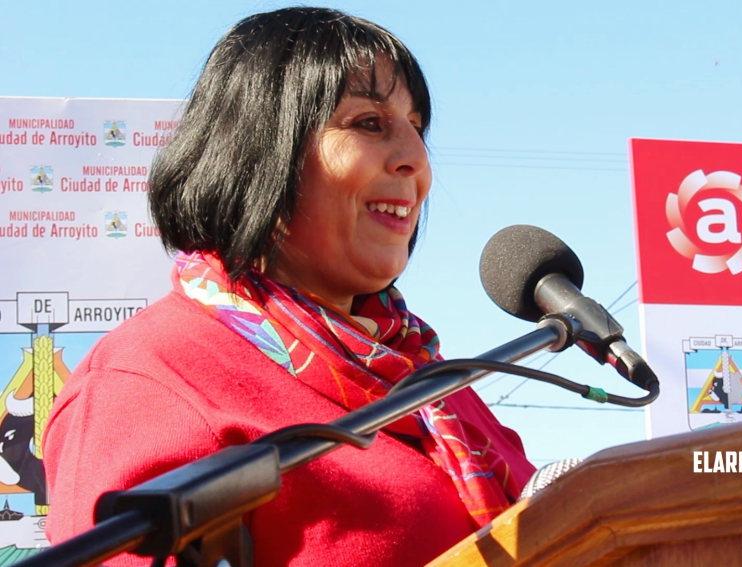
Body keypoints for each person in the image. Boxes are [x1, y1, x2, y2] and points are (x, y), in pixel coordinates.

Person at [43, 7, 535, 567]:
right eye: (369, 123)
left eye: (417, 127)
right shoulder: (151, 378)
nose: (416, 160)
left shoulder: (431, 383)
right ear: (261, 151)